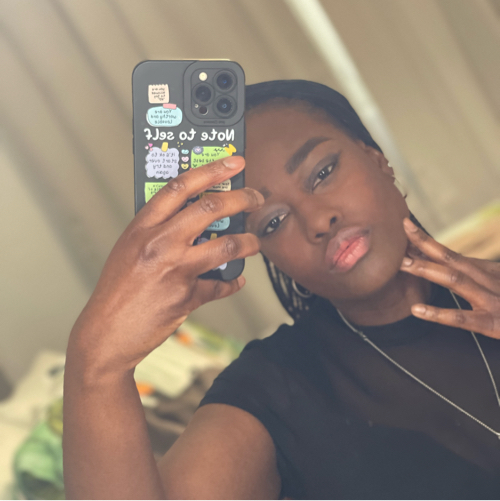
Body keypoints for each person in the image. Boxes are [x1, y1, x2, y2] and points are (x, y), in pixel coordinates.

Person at [63, 80, 500, 499]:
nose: (318, 220)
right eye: (273, 221)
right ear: (265, 252)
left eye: (322, 173)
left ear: (377, 159)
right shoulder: (274, 391)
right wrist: (96, 367)